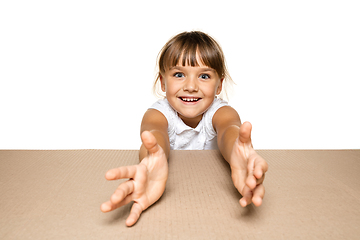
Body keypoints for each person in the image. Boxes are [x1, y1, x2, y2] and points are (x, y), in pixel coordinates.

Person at [100, 31, 268, 227]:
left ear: (219, 85)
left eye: (204, 76)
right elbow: (154, 136)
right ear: (163, 82)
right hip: (176, 200)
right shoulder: (158, 114)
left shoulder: (221, 112)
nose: (190, 86)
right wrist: (151, 159)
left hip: (210, 197)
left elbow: (229, 130)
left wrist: (239, 154)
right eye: (179, 75)